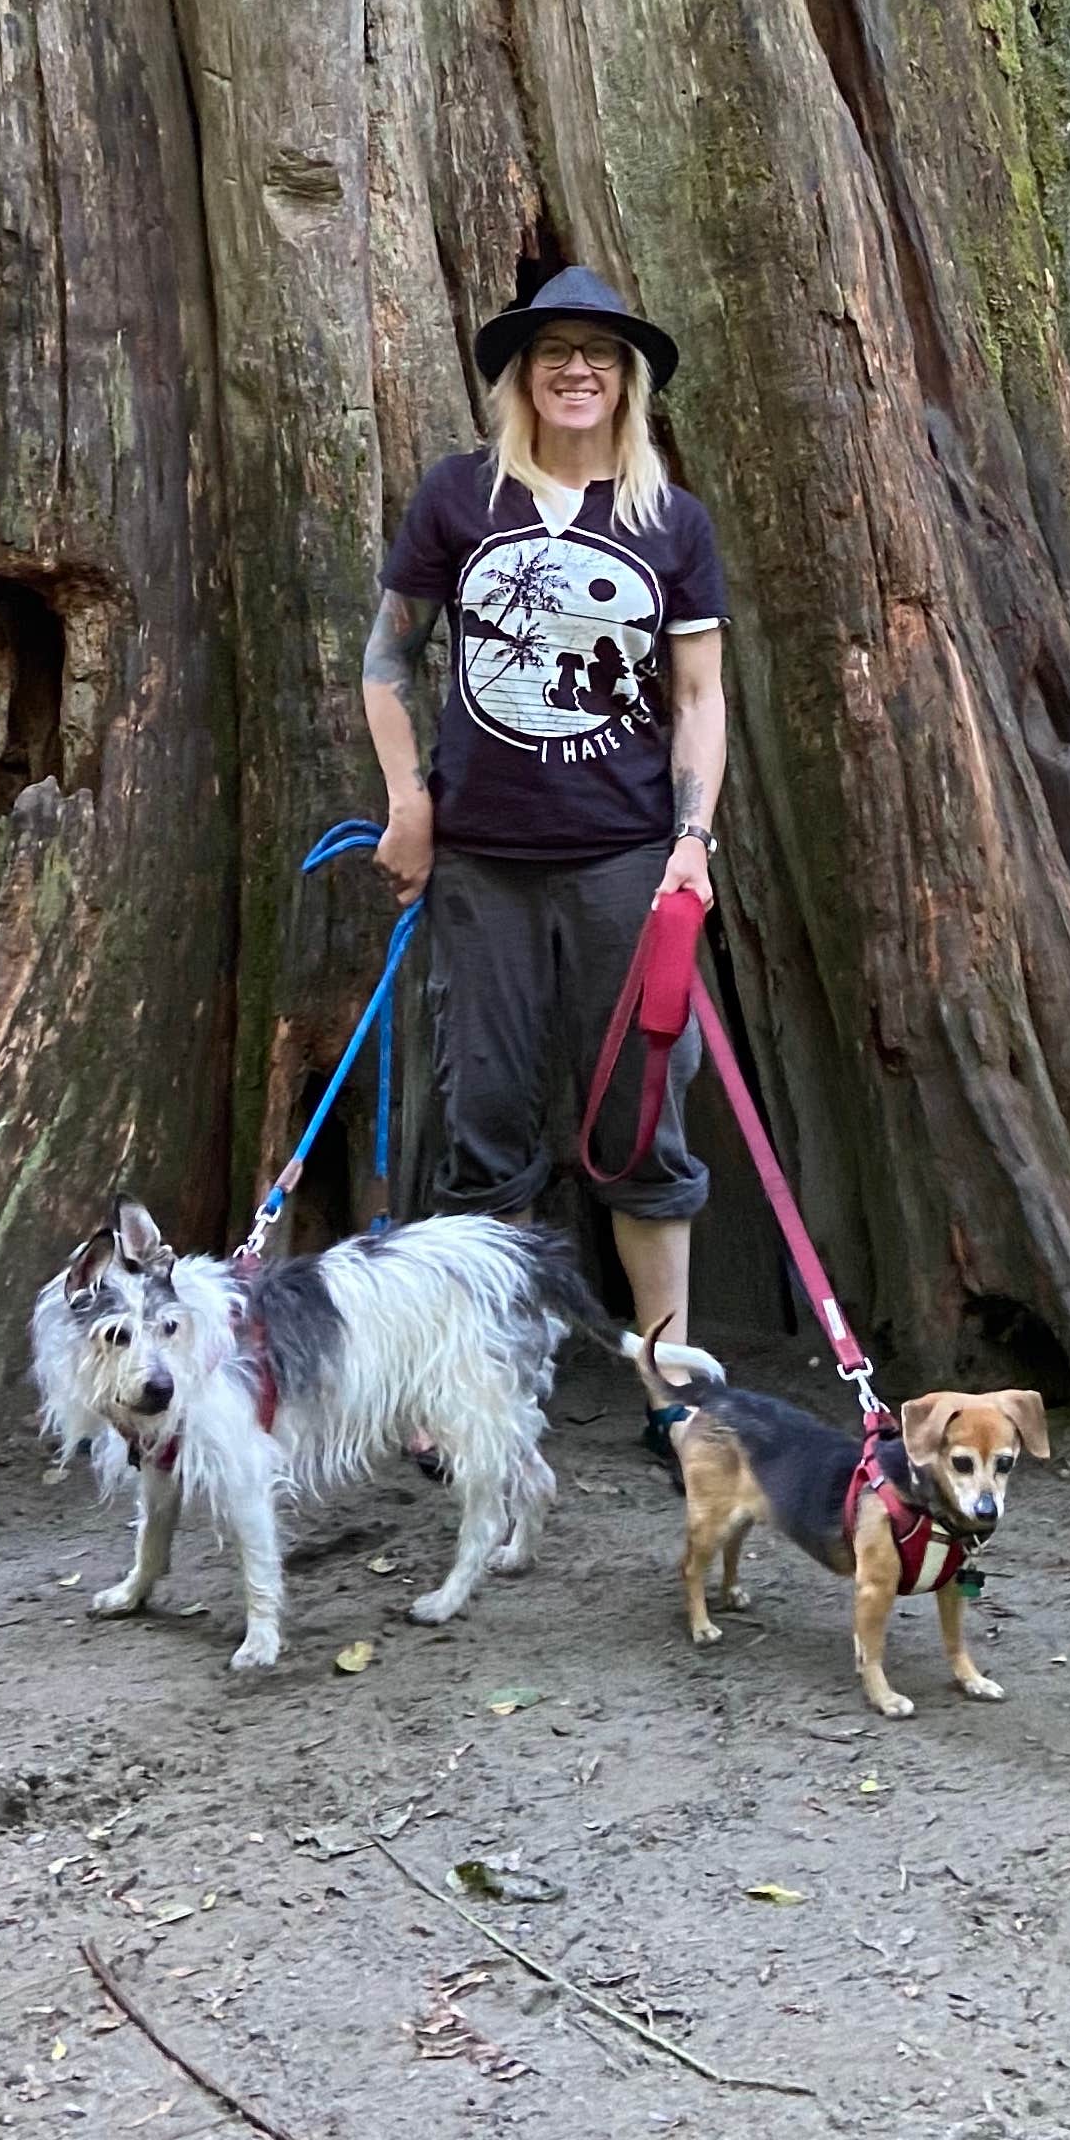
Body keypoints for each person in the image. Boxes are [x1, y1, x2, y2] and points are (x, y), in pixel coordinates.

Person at [361, 266, 727, 1460]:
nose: (579, 369)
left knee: (641, 1126)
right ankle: (478, 1389)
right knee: (486, 1121)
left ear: (629, 380)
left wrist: (690, 841)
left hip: (628, 864)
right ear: (521, 374)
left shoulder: (667, 519)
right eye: (554, 351)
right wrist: (409, 801)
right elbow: (387, 661)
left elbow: (699, 695)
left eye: (603, 354)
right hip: (485, 867)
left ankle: (671, 1395)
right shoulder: (463, 496)